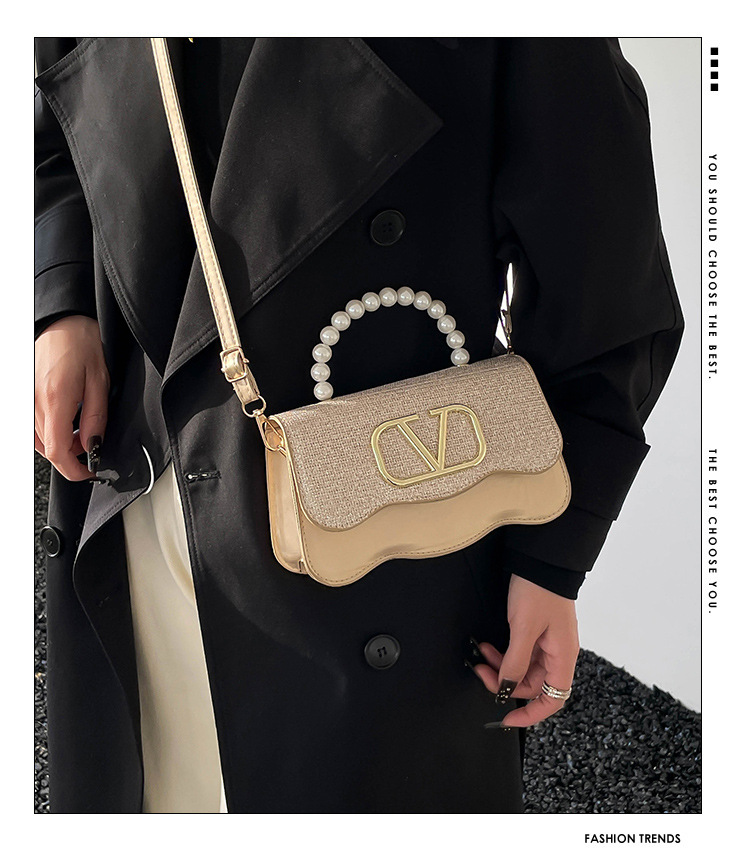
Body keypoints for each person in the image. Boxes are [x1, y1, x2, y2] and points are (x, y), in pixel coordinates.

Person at [34, 37, 683, 813]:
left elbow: (606, 277)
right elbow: (52, 121)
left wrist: (553, 556)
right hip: (129, 477)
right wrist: (59, 302)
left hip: (380, 547)